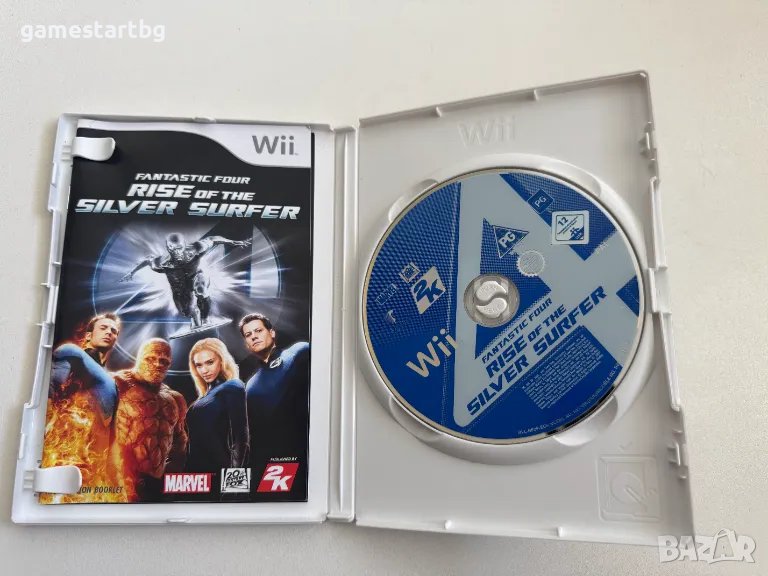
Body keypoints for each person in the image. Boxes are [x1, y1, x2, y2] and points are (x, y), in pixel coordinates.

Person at [238, 313, 309, 491]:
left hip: (310, 457)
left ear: (272, 333)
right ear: (246, 344)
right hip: (274, 468)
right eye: (248, 335)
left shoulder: (299, 352)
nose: (254, 336)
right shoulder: (250, 386)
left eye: (258, 330)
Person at [119, 232, 251, 329]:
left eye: (179, 248)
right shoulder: (161, 263)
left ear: (184, 245)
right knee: (186, 311)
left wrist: (232, 242)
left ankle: (205, 319)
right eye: (173, 249)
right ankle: (195, 317)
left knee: (201, 290)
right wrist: (132, 272)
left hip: (197, 276)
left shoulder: (196, 249)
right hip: (180, 288)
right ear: (168, 248)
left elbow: (213, 239)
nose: (177, 253)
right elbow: (147, 260)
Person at [112, 338, 188, 502]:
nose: (158, 364)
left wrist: (169, 478)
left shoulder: (175, 399)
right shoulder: (118, 384)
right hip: (120, 482)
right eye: (150, 358)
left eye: (164, 361)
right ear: (139, 358)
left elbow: (180, 441)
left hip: (155, 486)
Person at [185, 338, 249, 479]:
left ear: (222, 360)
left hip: (219, 471)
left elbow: (240, 438)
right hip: (195, 475)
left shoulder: (233, 386)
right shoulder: (203, 397)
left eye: (210, 362)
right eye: (199, 365)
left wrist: (233, 484)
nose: (204, 370)